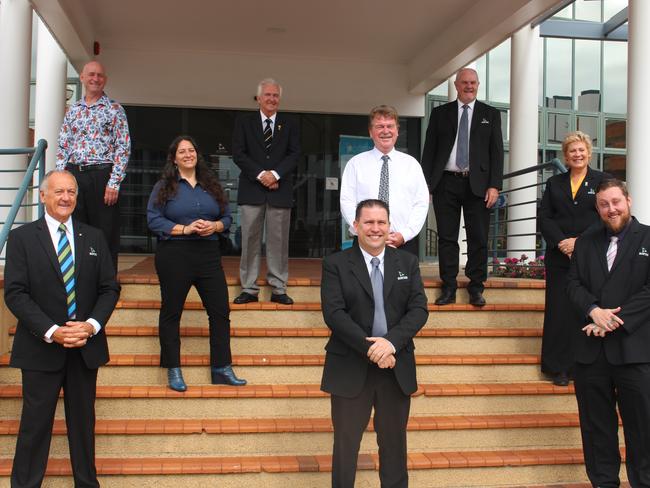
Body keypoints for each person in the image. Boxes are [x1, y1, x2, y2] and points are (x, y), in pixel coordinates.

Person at [4, 170, 120, 488]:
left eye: (71, 191)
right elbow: (15, 293)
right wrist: (53, 330)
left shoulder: (94, 237)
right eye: (58, 191)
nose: (66, 197)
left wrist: (92, 326)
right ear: (43, 196)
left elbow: (110, 288)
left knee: (83, 427)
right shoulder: (22, 238)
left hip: (85, 346)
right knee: (34, 427)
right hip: (41, 348)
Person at [320, 199, 428, 488]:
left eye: (381, 222)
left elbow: (418, 309)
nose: (375, 228)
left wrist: (390, 344)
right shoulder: (336, 264)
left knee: (394, 447)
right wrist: (373, 349)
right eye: (368, 222)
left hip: (395, 367)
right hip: (350, 367)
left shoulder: (407, 262)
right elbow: (334, 313)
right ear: (355, 226)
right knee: (345, 447)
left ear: (389, 226)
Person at [567, 179, 650, 488]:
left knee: (643, 431)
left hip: (635, 352)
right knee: (596, 430)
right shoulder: (586, 241)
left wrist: (613, 320)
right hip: (592, 355)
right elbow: (572, 284)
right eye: (604, 204)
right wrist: (593, 310)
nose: (611, 209)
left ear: (628, 200)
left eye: (616, 202)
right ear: (597, 207)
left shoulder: (648, 238)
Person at [147, 136, 246, 391]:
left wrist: (214, 225)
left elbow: (227, 217)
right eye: (182, 151)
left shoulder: (211, 185)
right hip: (175, 255)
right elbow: (153, 220)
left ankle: (222, 368)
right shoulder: (164, 186)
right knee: (172, 312)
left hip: (208, 255)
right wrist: (184, 228)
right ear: (174, 158)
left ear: (197, 155)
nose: (188, 154)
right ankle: (173, 369)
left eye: (191, 150)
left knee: (220, 312)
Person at [421, 67, 504, 306]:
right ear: (456, 85)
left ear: (478, 85)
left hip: (478, 186)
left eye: (473, 83)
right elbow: (430, 150)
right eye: (464, 82)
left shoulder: (491, 114)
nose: (469, 86)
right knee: (447, 238)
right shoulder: (440, 114)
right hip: (445, 182)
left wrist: (494, 186)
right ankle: (449, 287)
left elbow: (496, 153)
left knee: (478, 237)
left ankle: (476, 288)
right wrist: (426, 184)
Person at [539, 131, 609, 387]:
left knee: (583, 309)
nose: (577, 155)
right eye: (572, 151)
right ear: (565, 157)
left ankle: (580, 366)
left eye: (581, 150)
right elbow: (545, 216)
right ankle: (557, 367)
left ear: (589, 153)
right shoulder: (554, 183)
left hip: (589, 255)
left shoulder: (603, 180)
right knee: (558, 310)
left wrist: (578, 242)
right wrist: (561, 243)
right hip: (559, 257)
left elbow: (605, 216)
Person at [56, 60, 131, 271]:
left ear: (105, 80)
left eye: (99, 75)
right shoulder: (73, 111)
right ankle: (80, 276)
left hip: (102, 176)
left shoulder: (115, 109)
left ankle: (106, 281)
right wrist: (61, 179)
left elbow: (123, 147)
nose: (95, 78)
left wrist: (114, 182)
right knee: (75, 228)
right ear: (82, 78)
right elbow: (63, 145)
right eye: (91, 74)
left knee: (105, 231)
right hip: (74, 175)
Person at [231, 78, 300, 305]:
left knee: (278, 242)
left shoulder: (290, 124)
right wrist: (262, 175)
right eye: (267, 95)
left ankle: (278, 288)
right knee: (249, 240)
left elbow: (294, 154)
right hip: (252, 190)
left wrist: (275, 175)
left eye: (275, 95)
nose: (272, 99)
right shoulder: (244, 122)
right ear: (258, 98)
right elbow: (239, 153)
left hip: (280, 191)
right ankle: (249, 288)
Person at [340, 105, 429, 256]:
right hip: (364, 242)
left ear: (397, 131)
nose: (385, 131)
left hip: (402, 243)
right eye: (379, 126)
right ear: (371, 132)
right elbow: (347, 201)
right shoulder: (355, 164)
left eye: (390, 126)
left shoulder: (412, 165)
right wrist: (364, 231)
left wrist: (405, 235)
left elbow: (421, 203)